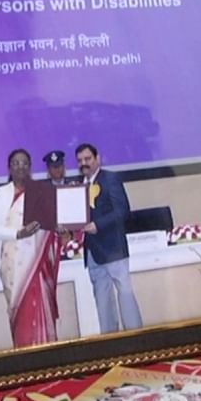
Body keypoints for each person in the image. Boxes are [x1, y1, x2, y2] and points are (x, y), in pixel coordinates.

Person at [0, 149, 60, 347]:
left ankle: (47, 359)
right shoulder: (2, 193)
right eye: (16, 163)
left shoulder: (41, 191)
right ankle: (26, 362)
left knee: (40, 309)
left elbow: (50, 225)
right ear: (9, 167)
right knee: (21, 314)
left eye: (25, 163)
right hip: (12, 266)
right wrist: (18, 233)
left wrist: (58, 228)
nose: (21, 167)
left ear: (30, 167)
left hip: (38, 264)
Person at [76, 142, 142, 333]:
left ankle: (136, 337)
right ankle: (109, 342)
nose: (84, 163)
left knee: (125, 293)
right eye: (80, 161)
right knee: (102, 298)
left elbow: (122, 211)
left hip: (113, 247)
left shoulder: (111, 178)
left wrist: (98, 225)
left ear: (98, 159)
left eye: (87, 159)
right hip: (92, 250)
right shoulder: (78, 185)